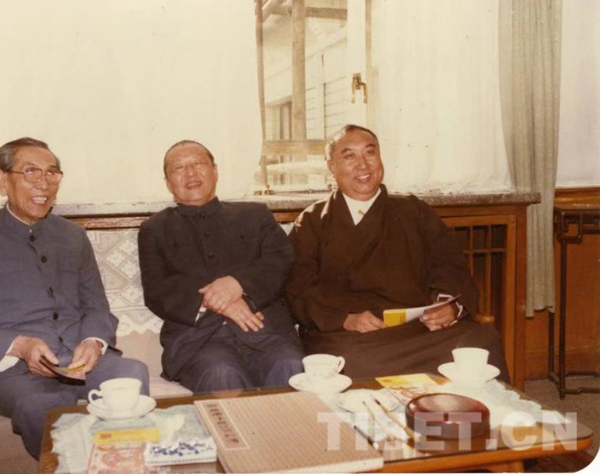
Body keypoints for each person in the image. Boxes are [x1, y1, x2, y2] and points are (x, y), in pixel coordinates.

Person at [0, 137, 150, 459]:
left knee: (130, 372)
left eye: (52, 173)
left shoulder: (73, 236)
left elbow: (96, 306)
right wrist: (20, 346)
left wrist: (92, 342)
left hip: (79, 361)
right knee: (42, 403)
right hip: (8, 372)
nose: (44, 183)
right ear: (2, 180)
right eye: (31, 172)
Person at [285, 124, 510, 381]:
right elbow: (298, 287)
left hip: (419, 329)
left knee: (481, 342)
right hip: (349, 334)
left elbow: (449, 265)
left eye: (370, 153)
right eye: (349, 156)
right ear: (331, 167)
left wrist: (449, 306)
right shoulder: (313, 221)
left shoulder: (414, 211)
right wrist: (344, 319)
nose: (363, 165)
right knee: (352, 362)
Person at [138, 140, 304, 393]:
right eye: (179, 168)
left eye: (198, 164)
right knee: (221, 373)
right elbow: (157, 290)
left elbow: (280, 260)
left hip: (265, 330)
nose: (190, 173)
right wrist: (218, 302)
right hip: (199, 341)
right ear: (168, 182)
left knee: (290, 365)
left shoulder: (255, 214)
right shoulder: (154, 229)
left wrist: (238, 285)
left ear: (215, 171)